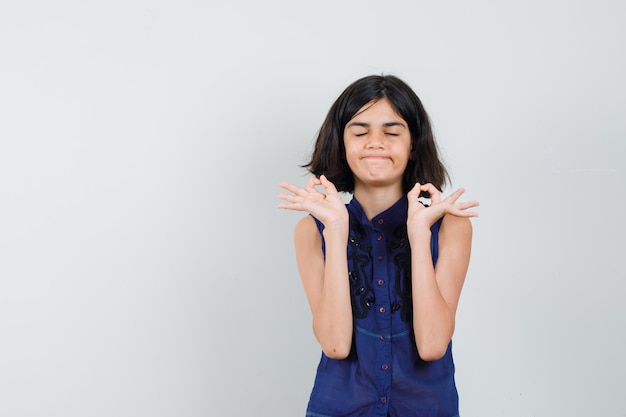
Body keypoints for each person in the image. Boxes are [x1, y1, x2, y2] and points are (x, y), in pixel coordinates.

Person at [278, 74, 479, 417]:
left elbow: (432, 346)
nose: (375, 142)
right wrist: (337, 231)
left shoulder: (450, 227)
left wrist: (418, 235)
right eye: (359, 132)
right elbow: (335, 344)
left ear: (413, 143)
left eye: (391, 131)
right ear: (341, 143)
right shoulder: (312, 231)